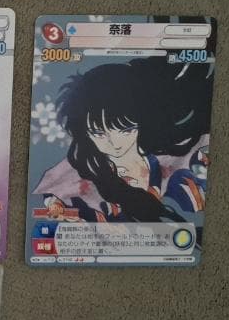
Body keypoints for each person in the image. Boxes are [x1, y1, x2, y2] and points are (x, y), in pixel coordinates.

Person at [36, 56, 211, 223]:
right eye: (98, 133)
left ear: (141, 122)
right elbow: (51, 199)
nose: (113, 143)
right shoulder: (78, 173)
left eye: (125, 130)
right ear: (85, 133)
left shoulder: (173, 162)